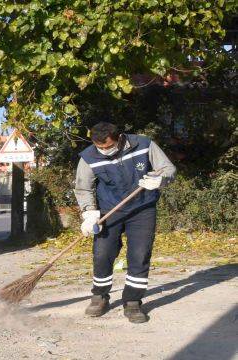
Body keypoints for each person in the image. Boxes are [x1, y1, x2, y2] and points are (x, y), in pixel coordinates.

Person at [74, 122, 176, 323]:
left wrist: (159, 180)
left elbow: (168, 168)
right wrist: (89, 213)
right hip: (108, 211)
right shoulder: (88, 156)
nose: (104, 151)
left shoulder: (143, 144)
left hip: (142, 208)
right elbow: (83, 187)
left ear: (119, 138)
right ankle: (99, 296)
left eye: (108, 146)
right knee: (102, 253)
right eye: (99, 148)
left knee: (139, 254)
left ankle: (132, 302)